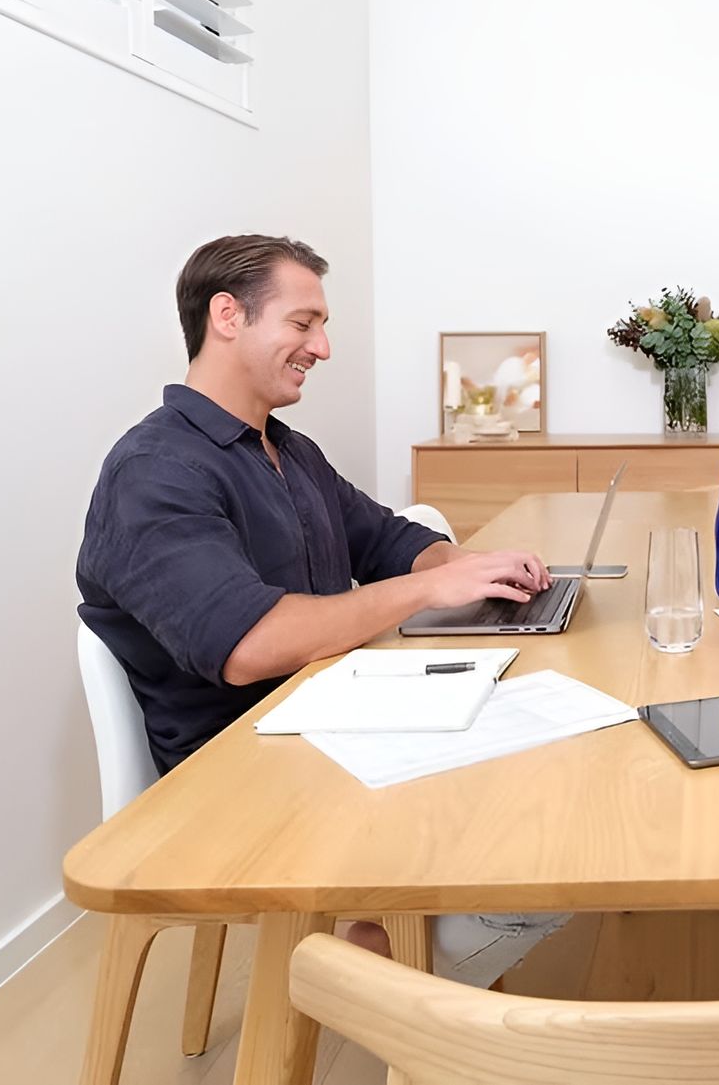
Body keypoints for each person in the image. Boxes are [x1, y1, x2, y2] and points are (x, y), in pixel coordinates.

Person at [77, 234, 566, 983]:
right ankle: (374, 972)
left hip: (330, 721)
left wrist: (472, 566)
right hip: (239, 775)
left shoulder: (289, 450)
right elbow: (248, 641)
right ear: (228, 316)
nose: (324, 346)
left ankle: (399, 958)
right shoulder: (154, 470)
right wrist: (428, 589)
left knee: (552, 766)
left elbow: (389, 539)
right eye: (303, 323)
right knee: (539, 830)